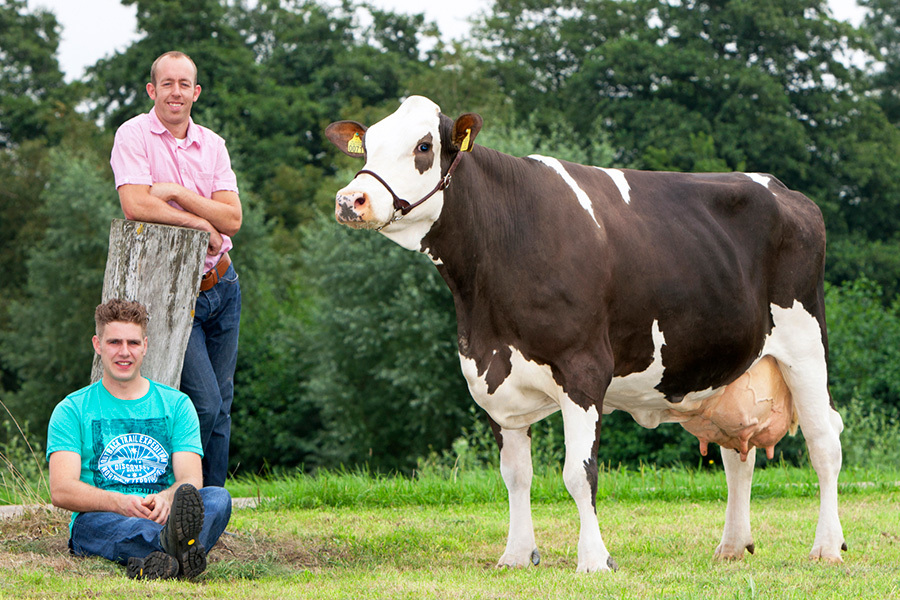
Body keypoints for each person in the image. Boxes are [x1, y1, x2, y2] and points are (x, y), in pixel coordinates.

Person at [109, 50, 242, 487]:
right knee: (202, 403)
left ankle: (212, 507)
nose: (176, 92)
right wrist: (200, 222)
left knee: (222, 403)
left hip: (223, 285)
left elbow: (233, 219)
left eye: (184, 84)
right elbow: (135, 204)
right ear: (152, 90)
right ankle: (178, 496)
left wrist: (179, 196)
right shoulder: (133, 135)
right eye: (167, 83)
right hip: (170, 293)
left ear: (196, 92)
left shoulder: (214, 145)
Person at [47, 299, 232, 580]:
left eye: (133, 343)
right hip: (104, 517)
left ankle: (161, 556)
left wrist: (166, 499)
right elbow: (61, 490)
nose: (124, 352)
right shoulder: (72, 409)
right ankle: (175, 550)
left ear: (145, 345)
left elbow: (191, 479)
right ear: (97, 345)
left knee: (218, 497)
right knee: (90, 526)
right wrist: (118, 503)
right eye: (114, 343)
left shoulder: (177, 405)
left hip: (165, 514)